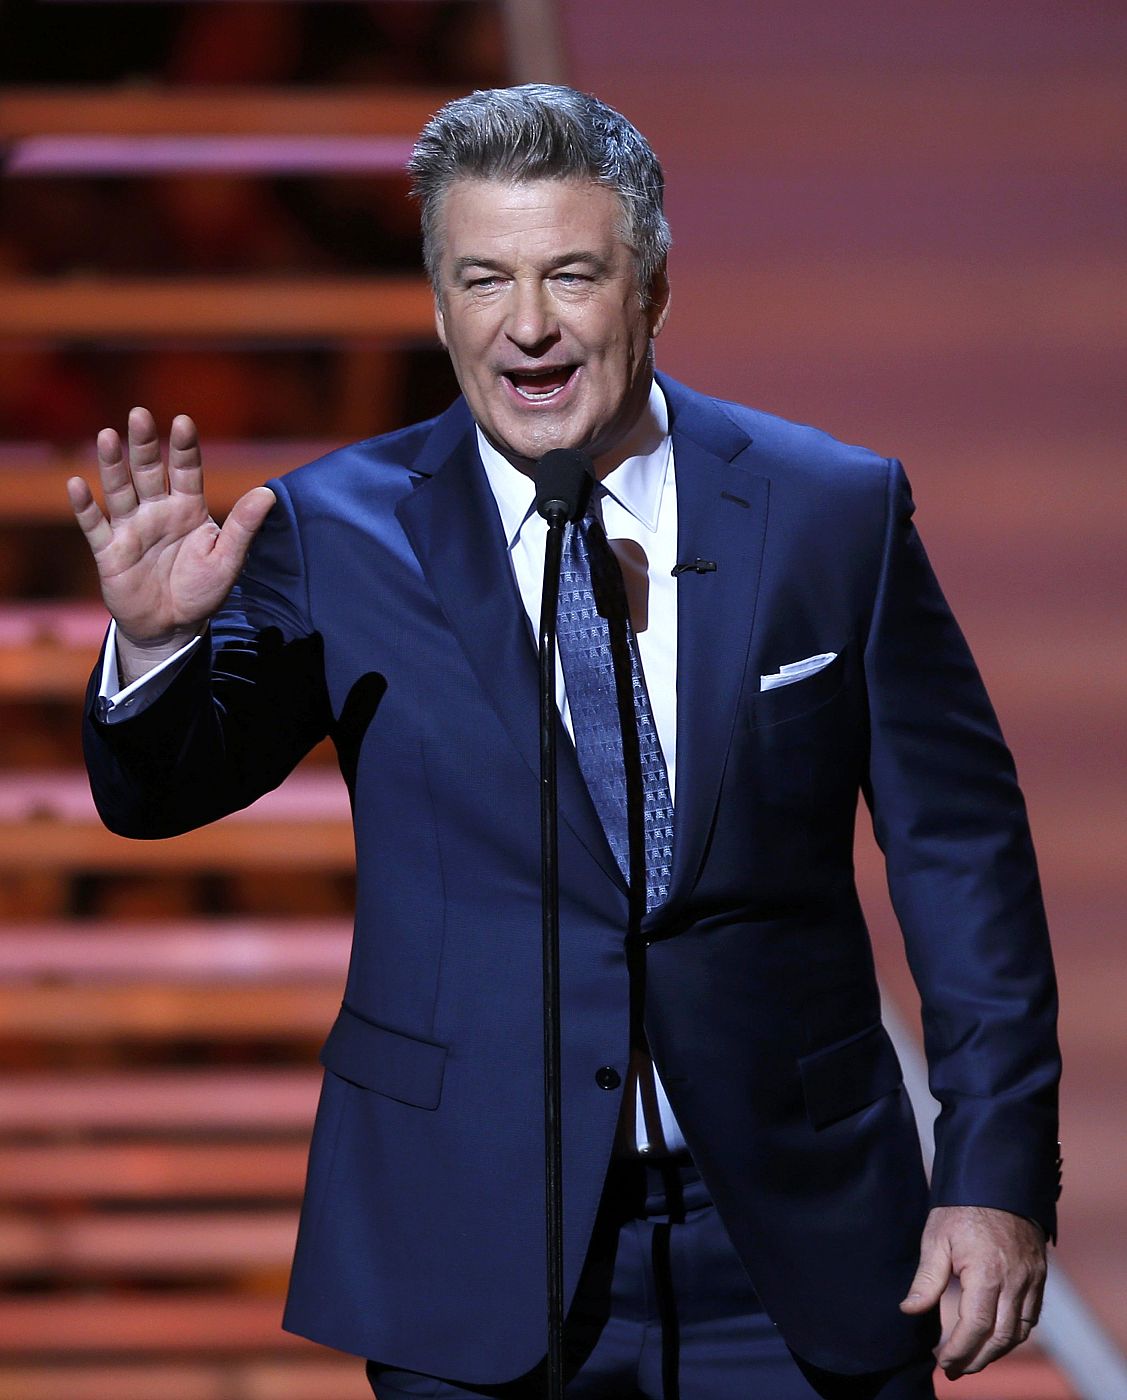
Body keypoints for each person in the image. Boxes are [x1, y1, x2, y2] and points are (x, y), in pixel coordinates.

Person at [71, 85, 1060, 1400]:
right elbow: (163, 796)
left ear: (649, 288)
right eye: (483, 279)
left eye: (569, 275)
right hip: (472, 1245)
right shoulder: (333, 529)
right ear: (438, 308)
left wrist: (994, 1179)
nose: (524, 324)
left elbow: (962, 856)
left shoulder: (833, 511)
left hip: (794, 1242)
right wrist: (156, 649)